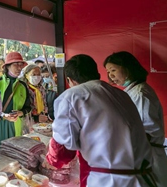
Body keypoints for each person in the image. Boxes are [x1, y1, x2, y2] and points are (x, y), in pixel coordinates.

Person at [44, 54, 156, 187]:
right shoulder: (121, 94)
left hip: (108, 180)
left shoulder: (71, 96)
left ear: (69, 80)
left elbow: (63, 148)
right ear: (97, 73)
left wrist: (51, 161)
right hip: (144, 178)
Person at [104, 51, 167, 187]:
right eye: (108, 72)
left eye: (114, 70)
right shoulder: (131, 92)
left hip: (147, 157)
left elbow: (146, 130)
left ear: (128, 68)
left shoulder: (140, 94)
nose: (111, 75)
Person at [0, 52, 31, 152]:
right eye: (16, 64)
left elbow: (28, 107)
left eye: (21, 64)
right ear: (7, 66)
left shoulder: (23, 85)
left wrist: (20, 113)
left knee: (14, 152)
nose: (19, 68)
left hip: (16, 125)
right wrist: (3, 115)